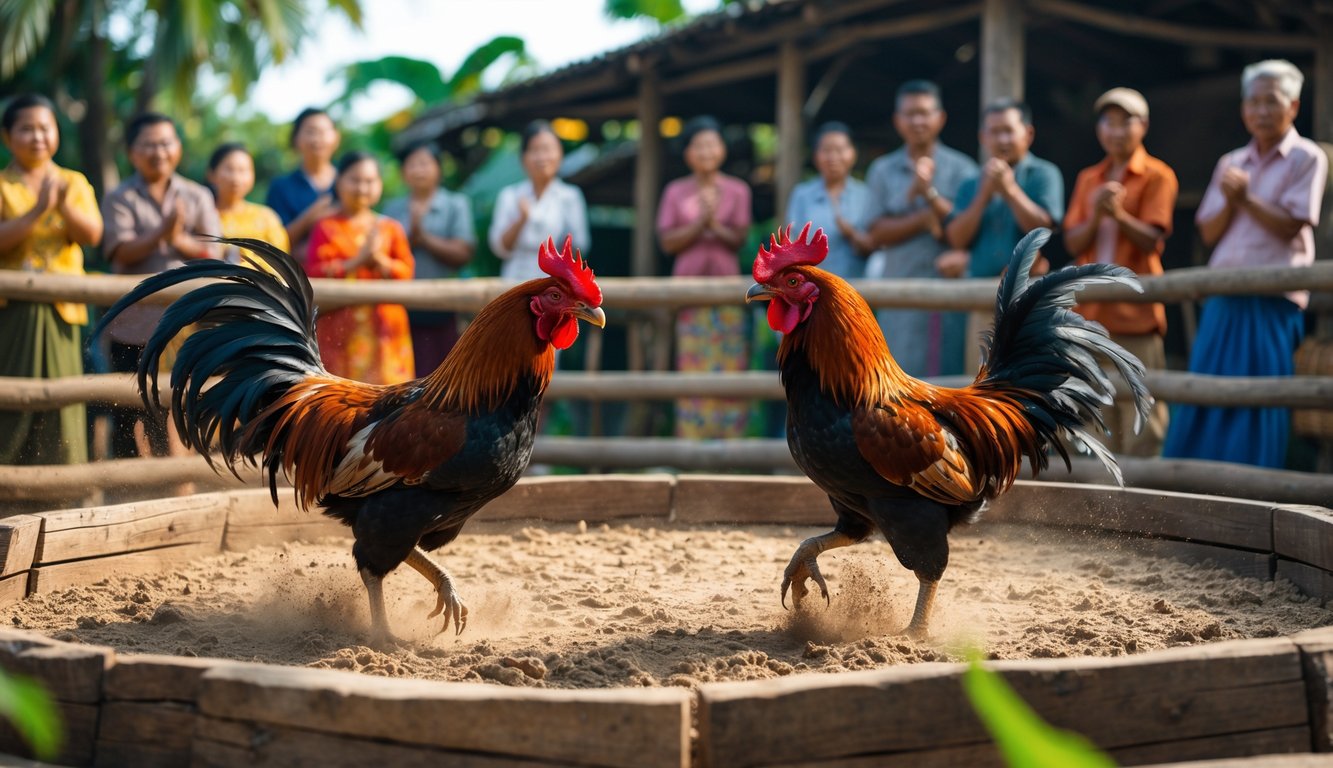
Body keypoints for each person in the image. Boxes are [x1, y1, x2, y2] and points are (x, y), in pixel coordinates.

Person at [1163, 60, 1327, 468]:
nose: (1261, 111)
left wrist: (1246, 199)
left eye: (1271, 101)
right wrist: (1235, 200)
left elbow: (1292, 226)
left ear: (1293, 106)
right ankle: (1190, 478)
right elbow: (1209, 232)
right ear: (1243, 110)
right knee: (1207, 387)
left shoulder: (1306, 157)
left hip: (1272, 296)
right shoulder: (1231, 161)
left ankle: (1253, 483)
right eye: (1253, 102)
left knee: (1262, 394)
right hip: (1225, 291)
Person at [1064, 88, 1177, 457]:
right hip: (1091, 317)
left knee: (1142, 412)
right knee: (1096, 413)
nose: (1116, 130)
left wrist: (1119, 215)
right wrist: (1098, 214)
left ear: (1142, 126)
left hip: (1136, 317)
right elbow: (1073, 242)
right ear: (1099, 130)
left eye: (1125, 121)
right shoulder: (1087, 178)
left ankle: (1145, 502)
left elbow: (1152, 240)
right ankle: (1100, 503)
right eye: (1108, 122)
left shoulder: (1158, 175)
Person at [102, 111, 221, 461]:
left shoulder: (198, 195)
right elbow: (119, 252)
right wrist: (163, 233)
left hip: (185, 326)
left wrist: (177, 238)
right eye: (149, 144)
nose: (159, 152)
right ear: (131, 152)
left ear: (178, 148)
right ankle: (126, 492)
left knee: (181, 406)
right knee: (128, 408)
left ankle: (181, 489)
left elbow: (211, 253)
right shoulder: (119, 196)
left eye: (166, 143)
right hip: (132, 329)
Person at [0, 94, 103, 466]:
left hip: (64, 308)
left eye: (45, 127)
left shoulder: (73, 182)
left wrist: (61, 206)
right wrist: (37, 211)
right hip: (13, 310)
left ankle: (62, 483)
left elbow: (93, 235)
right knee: (12, 398)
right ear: (7, 137)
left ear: (57, 133)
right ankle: (8, 478)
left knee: (63, 401)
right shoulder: (2, 184)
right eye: (26, 129)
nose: (37, 136)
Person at [864, 80, 977, 377]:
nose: (918, 121)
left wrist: (928, 196)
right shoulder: (882, 170)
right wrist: (925, 219)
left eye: (925, 113)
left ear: (940, 118)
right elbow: (875, 233)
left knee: (950, 384)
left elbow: (973, 228)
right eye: (910, 114)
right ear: (897, 121)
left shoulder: (963, 169)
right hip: (897, 295)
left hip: (951, 296)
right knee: (895, 388)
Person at [946, 99, 1064, 372]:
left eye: (1009, 131)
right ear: (982, 137)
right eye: (994, 132)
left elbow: (1044, 230)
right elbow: (956, 239)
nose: (1002, 139)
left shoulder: (1044, 173)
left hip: (1029, 300)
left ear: (1028, 134)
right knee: (977, 386)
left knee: (1027, 384)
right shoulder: (971, 182)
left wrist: (1009, 189)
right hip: (980, 299)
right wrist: (983, 195)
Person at [656, 116, 753, 439]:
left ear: (722, 150)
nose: (706, 151)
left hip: (727, 289)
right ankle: (692, 441)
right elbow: (667, 242)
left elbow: (740, 239)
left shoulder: (738, 190)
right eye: (699, 145)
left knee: (729, 361)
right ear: (688, 154)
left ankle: (729, 443)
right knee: (692, 361)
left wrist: (714, 225)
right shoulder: (675, 191)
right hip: (689, 291)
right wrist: (700, 225)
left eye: (712, 144)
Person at [304, 151, 415, 385]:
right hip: (339, 329)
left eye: (370, 181)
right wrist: (357, 262)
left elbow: (407, 273)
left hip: (386, 330)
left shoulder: (391, 228)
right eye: (355, 180)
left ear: (380, 185)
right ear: (339, 181)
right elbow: (313, 271)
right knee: (341, 400)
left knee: (389, 400)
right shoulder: (325, 227)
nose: (362, 188)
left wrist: (381, 262)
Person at [383, 140, 475, 373]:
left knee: (443, 377)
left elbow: (463, 252)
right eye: (412, 165)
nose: (419, 170)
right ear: (403, 172)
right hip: (400, 310)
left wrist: (424, 239)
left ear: (438, 169)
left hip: (443, 309)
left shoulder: (456, 204)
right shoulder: (391, 209)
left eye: (425, 163)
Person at [488, 120, 590, 281]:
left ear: (560, 154)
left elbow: (580, 246)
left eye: (548, 149)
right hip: (513, 282)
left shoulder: (570, 197)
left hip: (554, 285)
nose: (542, 157)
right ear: (523, 158)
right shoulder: (509, 195)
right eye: (534, 150)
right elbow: (499, 248)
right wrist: (521, 220)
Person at [784, 122, 873, 280]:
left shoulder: (866, 195)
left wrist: (851, 233)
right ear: (815, 156)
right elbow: (791, 242)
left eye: (840, 150)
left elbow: (874, 246)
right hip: (813, 287)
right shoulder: (802, 195)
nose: (833, 157)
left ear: (853, 154)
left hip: (855, 289)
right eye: (826, 150)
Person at [266, 107, 340, 259]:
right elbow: (273, 244)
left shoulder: (351, 183)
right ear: (295, 139)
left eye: (323, 132)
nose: (317, 139)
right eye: (310, 132)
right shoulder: (281, 187)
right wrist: (310, 217)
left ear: (336, 138)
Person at [206, 142, 289, 264]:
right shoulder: (202, 217)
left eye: (243, 170)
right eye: (229, 169)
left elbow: (282, 263)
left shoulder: (266, 217)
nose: (236, 178)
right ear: (211, 174)